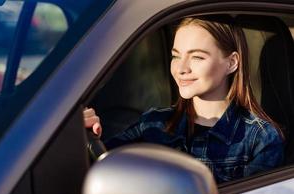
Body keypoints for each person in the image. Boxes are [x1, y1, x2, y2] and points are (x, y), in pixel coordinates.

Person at [83, 15, 284, 183]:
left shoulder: (260, 138)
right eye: (176, 56)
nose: (181, 69)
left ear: (231, 63)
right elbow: (94, 171)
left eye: (197, 57)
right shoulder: (153, 124)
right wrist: (82, 135)